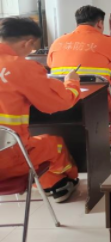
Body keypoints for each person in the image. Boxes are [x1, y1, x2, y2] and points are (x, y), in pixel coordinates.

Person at [0, 17, 81, 203]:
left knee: (33, 146)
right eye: (32, 48)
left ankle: (53, 183)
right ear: (27, 42)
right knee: (54, 144)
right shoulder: (21, 67)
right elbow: (58, 102)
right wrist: (72, 83)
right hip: (7, 160)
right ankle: (64, 182)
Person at [47, 6, 111, 157]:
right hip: (95, 101)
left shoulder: (58, 42)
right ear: (99, 23)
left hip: (62, 100)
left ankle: (97, 136)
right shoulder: (105, 42)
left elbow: (50, 64)